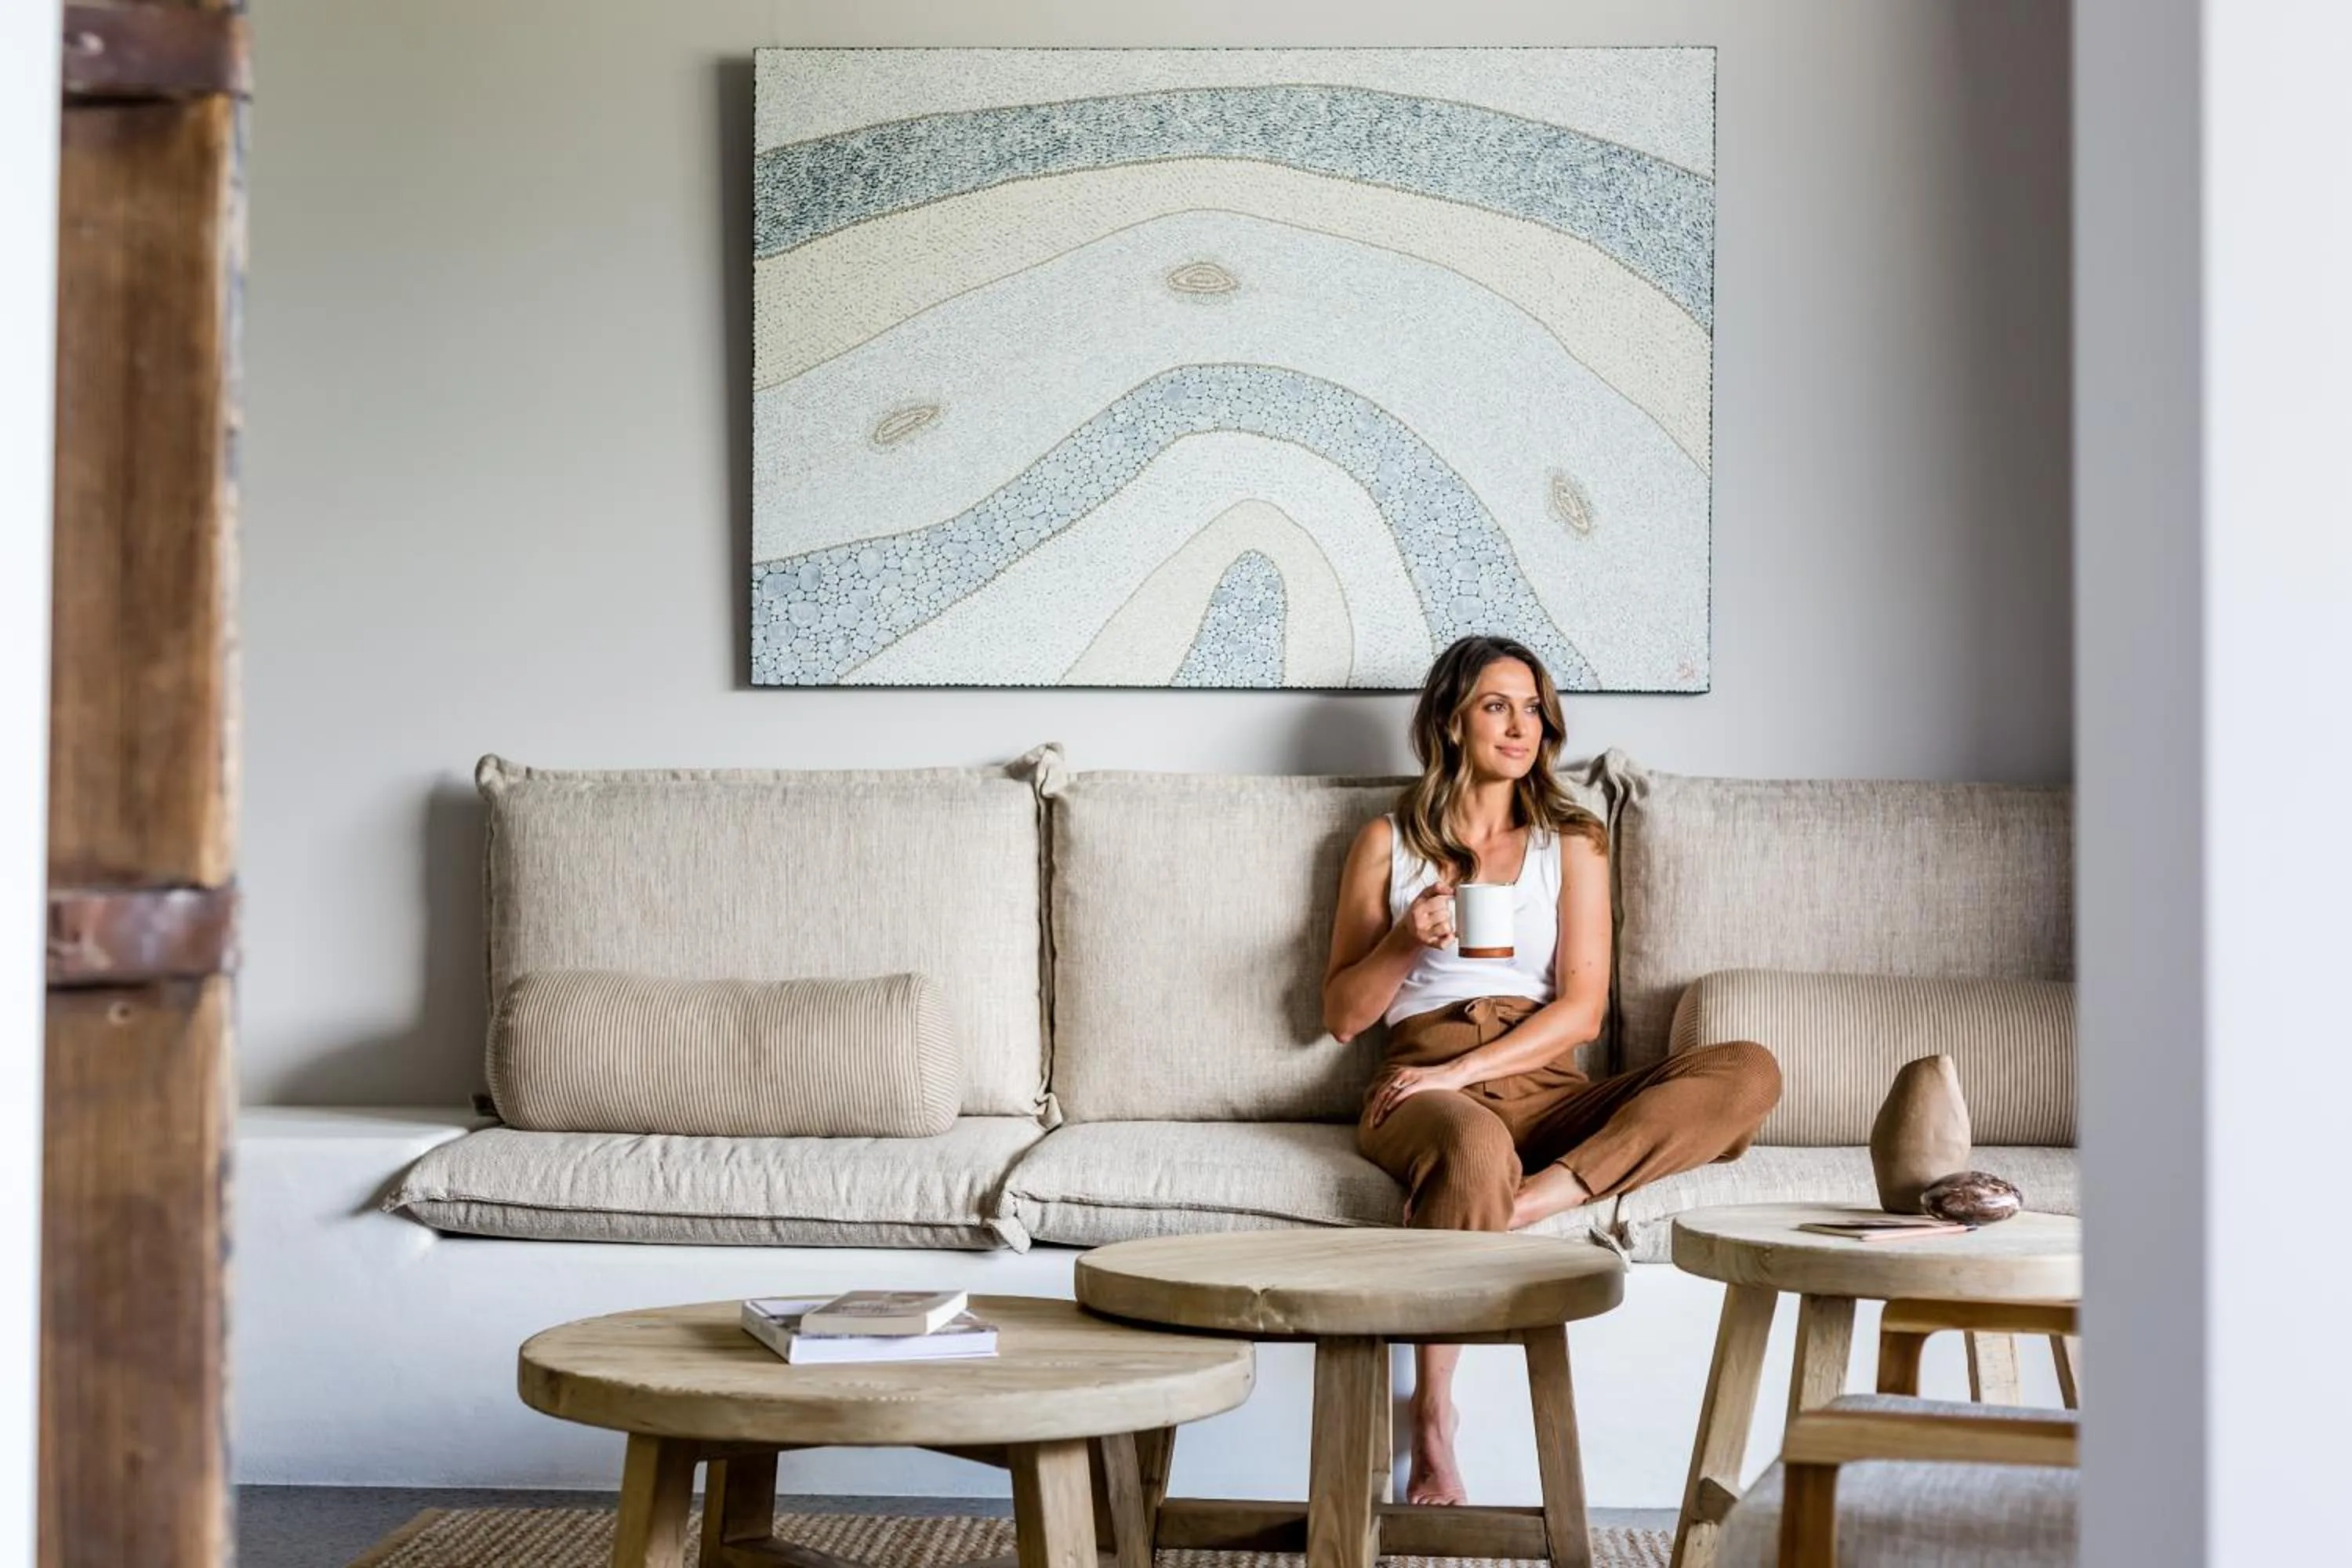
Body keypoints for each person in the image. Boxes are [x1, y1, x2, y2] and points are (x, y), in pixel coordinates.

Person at [1321, 634, 1781, 1505]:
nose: (1520, 726)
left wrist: (1472, 1071)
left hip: (1542, 1080)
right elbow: (1342, 1016)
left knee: (1749, 1069)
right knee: (1471, 1149)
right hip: (1420, 1084)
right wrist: (1404, 941)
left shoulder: (1571, 840)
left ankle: (1527, 1202)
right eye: (1497, 705)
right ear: (1451, 721)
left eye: (1532, 708)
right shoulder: (1388, 841)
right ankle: (1433, 1415)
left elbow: (1582, 1011)